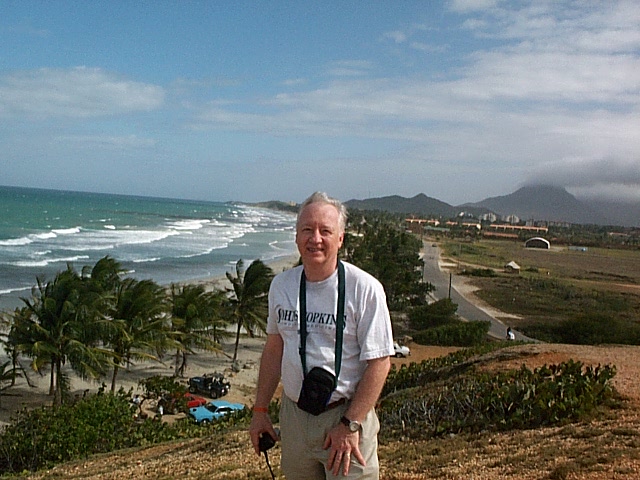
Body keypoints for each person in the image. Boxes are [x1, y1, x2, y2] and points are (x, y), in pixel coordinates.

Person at [249, 192, 394, 479]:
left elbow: (380, 363)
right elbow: (274, 348)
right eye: (307, 229)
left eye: (325, 231)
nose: (315, 238)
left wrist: (350, 424)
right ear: (296, 237)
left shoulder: (364, 289)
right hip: (295, 417)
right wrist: (260, 410)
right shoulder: (282, 286)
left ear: (340, 239)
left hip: (346, 416)